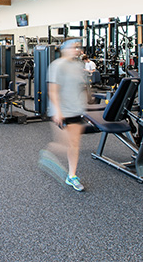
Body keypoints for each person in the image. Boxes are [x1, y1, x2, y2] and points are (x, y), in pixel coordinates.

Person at [38, 38, 87, 192]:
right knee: (64, 144)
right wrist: (57, 111)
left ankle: (72, 175)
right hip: (62, 111)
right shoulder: (57, 66)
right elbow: (52, 91)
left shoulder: (78, 65)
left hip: (76, 109)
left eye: (78, 47)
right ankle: (47, 153)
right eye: (74, 47)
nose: (77, 50)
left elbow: (82, 86)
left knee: (74, 145)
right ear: (64, 48)